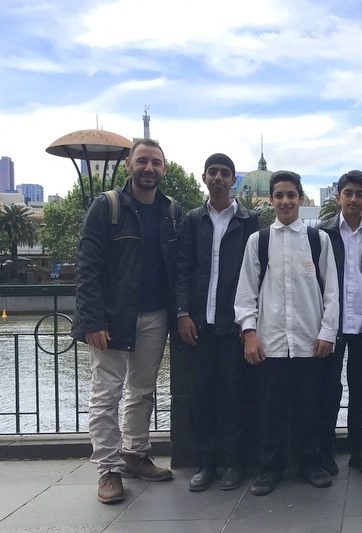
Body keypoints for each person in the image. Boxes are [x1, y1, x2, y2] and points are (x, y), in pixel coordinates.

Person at [72, 139, 180, 503]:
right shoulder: (108, 206)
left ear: (164, 168)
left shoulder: (171, 210)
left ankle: (135, 454)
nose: (149, 168)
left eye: (156, 162)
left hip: (155, 314)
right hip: (113, 318)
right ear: (129, 166)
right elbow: (87, 267)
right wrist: (92, 319)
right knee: (106, 394)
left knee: (143, 389)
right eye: (143, 161)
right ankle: (108, 468)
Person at [234, 170, 339, 496]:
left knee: (310, 405)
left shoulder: (317, 239)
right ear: (272, 200)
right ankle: (268, 467)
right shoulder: (259, 241)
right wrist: (249, 333)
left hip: (309, 340)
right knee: (269, 409)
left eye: (290, 195)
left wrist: (327, 332)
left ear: (300, 198)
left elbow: (332, 291)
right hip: (271, 341)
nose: (284, 201)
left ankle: (310, 463)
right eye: (278, 195)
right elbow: (246, 292)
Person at [175, 153, 261, 492]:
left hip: (234, 324)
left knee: (234, 396)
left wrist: (250, 322)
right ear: (204, 177)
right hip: (199, 324)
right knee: (201, 397)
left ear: (233, 179)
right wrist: (182, 313)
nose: (219, 178)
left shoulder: (251, 221)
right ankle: (205, 464)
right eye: (213, 172)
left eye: (225, 173)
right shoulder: (193, 220)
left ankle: (233, 463)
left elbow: (257, 274)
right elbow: (182, 268)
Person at [317, 170, 362, 477]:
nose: (354, 199)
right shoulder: (322, 233)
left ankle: (360, 450)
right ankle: (324, 449)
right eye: (348, 193)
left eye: (359, 194)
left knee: (361, 388)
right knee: (329, 388)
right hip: (331, 323)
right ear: (338, 197)